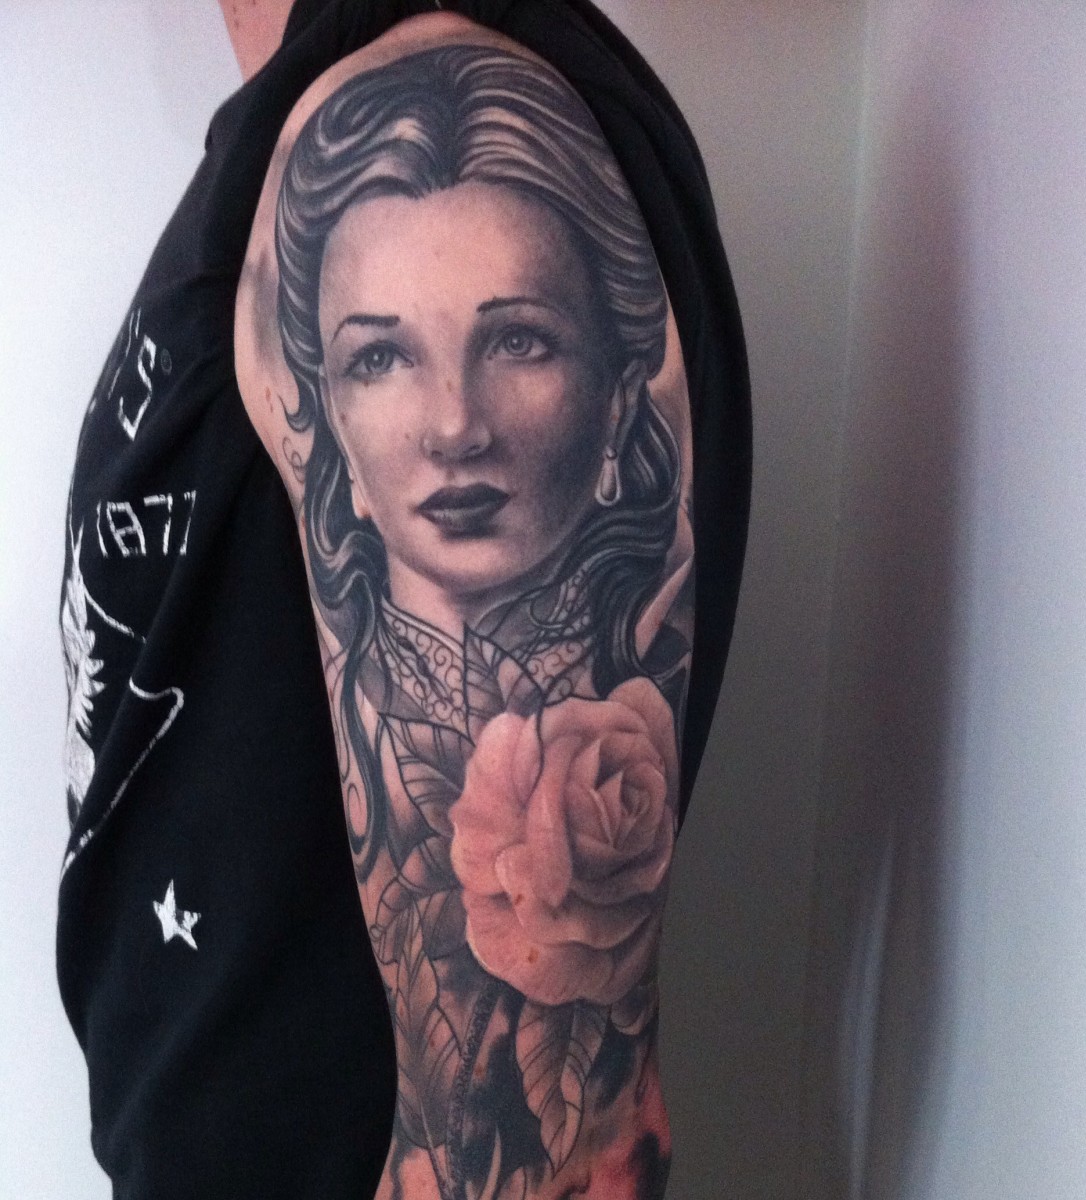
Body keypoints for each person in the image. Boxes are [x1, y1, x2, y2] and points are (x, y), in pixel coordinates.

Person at [58, 3, 750, 1197]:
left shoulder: (428, 80)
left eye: (517, 342)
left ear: (613, 393)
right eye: (379, 356)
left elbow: (541, 1158)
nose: (453, 426)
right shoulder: (329, 109)